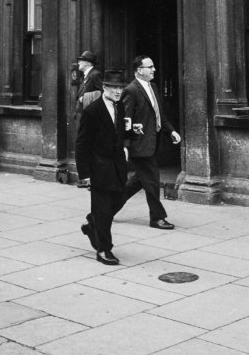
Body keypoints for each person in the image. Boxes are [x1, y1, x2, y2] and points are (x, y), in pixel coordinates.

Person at [116, 55, 181, 229]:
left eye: (153, 66)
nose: (154, 69)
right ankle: (157, 218)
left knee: (139, 180)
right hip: (139, 144)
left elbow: (159, 115)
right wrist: (125, 146)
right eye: (149, 67)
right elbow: (125, 119)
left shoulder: (152, 87)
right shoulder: (131, 90)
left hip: (152, 142)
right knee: (152, 180)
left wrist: (172, 131)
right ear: (139, 70)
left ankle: (107, 207)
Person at [76, 69, 128, 265]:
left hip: (117, 166)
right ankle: (104, 249)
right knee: (104, 211)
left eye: (121, 88)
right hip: (98, 168)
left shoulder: (120, 106)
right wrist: (85, 175)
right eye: (114, 87)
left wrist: (132, 132)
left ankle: (92, 223)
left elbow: (117, 134)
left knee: (119, 199)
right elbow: (81, 144)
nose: (118, 91)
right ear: (105, 87)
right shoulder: (92, 111)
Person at [74, 50, 103, 187]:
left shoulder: (95, 75)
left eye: (80, 60)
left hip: (90, 117)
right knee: (84, 146)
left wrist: (84, 98)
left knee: (87, 146)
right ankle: (88, 178)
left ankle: (91, 178)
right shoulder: (86, 76)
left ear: (86, 63)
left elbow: (102, 94)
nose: (78, 63)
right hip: (84, 116)